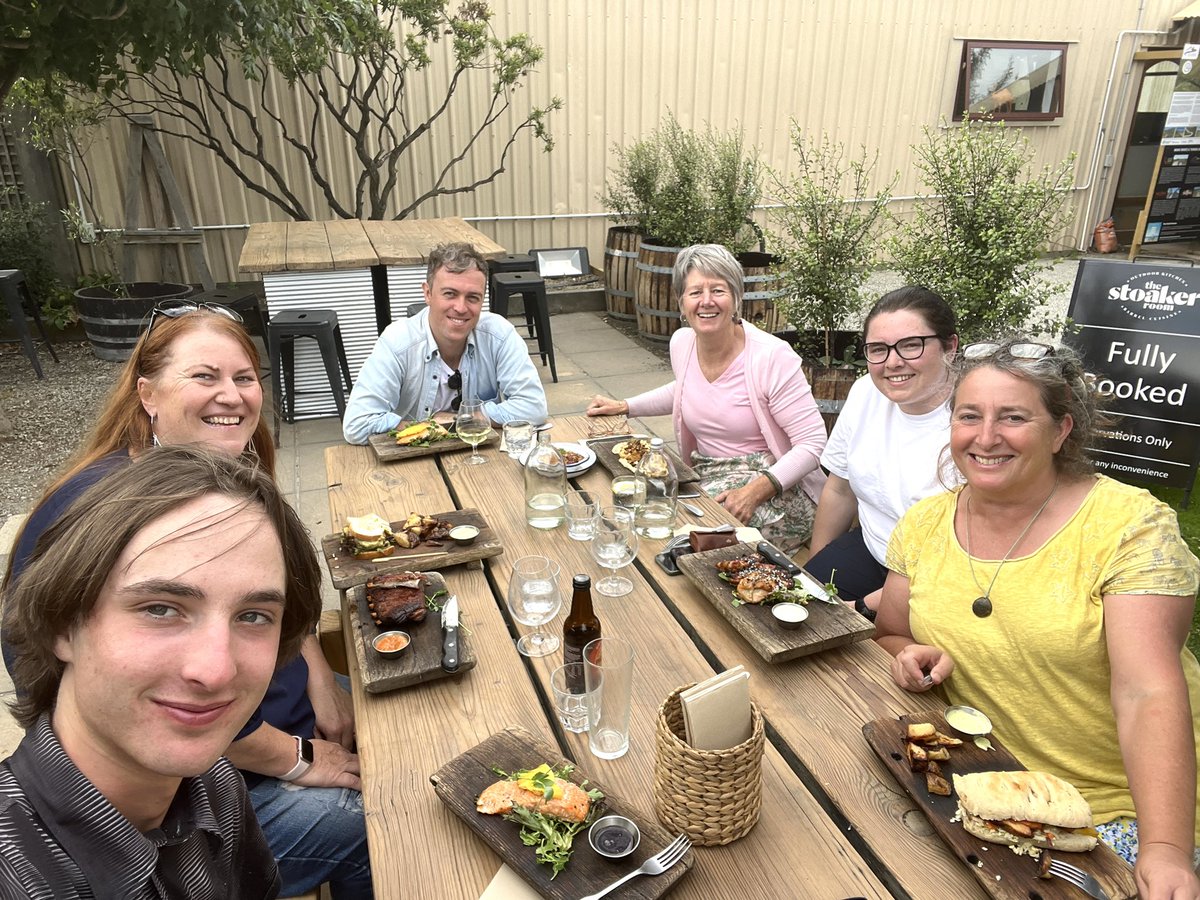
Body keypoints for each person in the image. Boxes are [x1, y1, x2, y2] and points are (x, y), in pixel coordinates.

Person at [1, 302, 372, 898]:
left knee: (412, 717)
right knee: (382, 816)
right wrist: (301, 760)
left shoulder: (228, 481)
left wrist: (320, 674)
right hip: (240, 755)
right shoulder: (97, 514)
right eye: (161, 609)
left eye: (244, 378)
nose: (231, 395)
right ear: (146, 395)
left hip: (243, 751)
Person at [876, 338, 1200, 898]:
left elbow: (1146, 692)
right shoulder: (925, 524)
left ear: (1061, 430)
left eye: (1014, 417)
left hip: (1115, 807)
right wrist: (908, 654)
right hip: (983, 783)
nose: (985, 437)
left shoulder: (1130, 528)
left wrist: (1166, 850)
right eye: (969, 415)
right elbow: (890, 629)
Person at [0, 445, 324, 898]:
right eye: (160, 609)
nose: (215, 671)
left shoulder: (214, 786)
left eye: (253, 616)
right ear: (62, 625)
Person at [587, 243, 826, 552]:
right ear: (680, 301)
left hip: (776, 486)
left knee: (680, 535)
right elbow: (686, 390)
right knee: (635, 500)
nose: (707, 301)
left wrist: (755, 490)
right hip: (707, 474)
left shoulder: (771, 358)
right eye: (695, 292)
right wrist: (625, 406)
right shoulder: (682, 343)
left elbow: (813, 443)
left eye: (718, 290)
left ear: (737, 298)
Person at [805, 287, 959, 616]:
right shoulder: (865, 393)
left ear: (950, 347)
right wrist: (816, 576)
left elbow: (965, 558)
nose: (892, 362)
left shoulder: (972, 422)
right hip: (873, 548)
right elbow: (839, 489)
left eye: (910, 345)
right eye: (878, 349)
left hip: (938, 581)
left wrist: (860, 607)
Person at [342, 242, 547, 443]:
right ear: (428, 293)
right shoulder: (398, 343)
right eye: (450, 294)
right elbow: (357, 424)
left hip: (479, 457)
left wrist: (460, 420)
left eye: (472, 297)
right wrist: (426, 428)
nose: (460, 307)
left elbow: (534, 408)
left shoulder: (499, 336)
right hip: (413, 462)